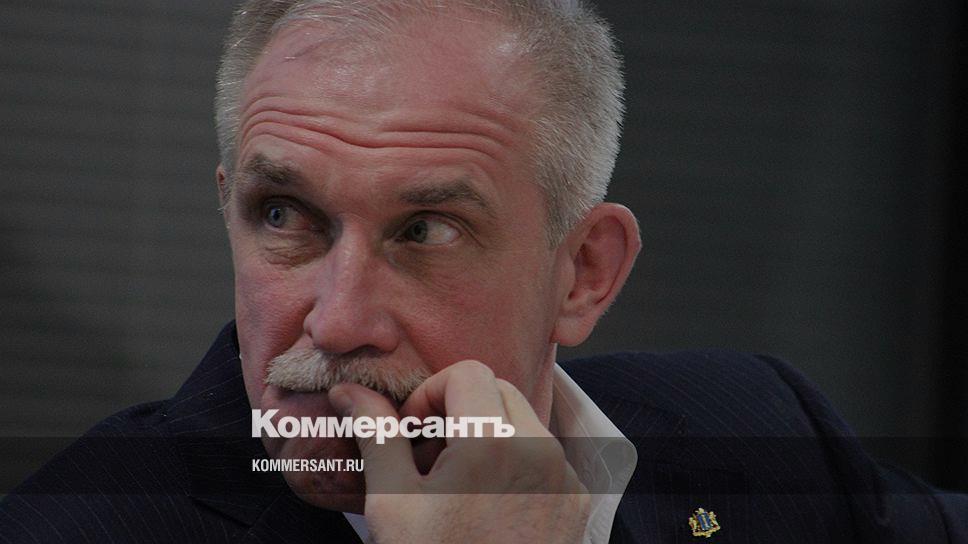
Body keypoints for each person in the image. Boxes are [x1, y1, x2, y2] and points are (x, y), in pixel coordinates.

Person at [1, 1, 965, 543]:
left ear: (583, 274)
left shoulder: (758, 430)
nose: (336, 322)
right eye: (284, 215)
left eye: (425, 230)